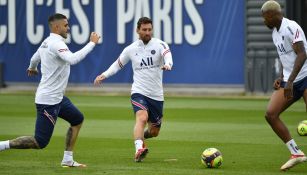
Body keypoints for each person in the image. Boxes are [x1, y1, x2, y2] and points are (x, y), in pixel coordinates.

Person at [0, 13, 100, 167]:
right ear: (56, 26)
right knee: (39, 141)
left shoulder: (47, 42)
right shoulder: (56, 44)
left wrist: (32, 68)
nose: (68, 28)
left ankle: (67, 159)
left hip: (58, 98)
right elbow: (72, 59)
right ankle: (3, 145)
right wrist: (92, 43)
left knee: (77, 119)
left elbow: (34, 58)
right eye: (66, 25)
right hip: (48, 101)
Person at [94, 17, 173, 162]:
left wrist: (168, 64)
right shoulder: (130, 49)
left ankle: (140, 135)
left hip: (156, 95)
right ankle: (139, 148)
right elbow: (117, 65)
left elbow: (168, 56)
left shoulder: (160, 44)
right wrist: (103, 75)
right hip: (139, 91)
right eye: (144, 30)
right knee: (141, 117)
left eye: (149, 29)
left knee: (154, 132)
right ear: (138, 30)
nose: (147, 32)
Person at [261, 0, 307, 171]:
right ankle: (296, 153)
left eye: (265, 18)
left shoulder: (291, 27)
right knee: (271, 114)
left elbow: (302, 54)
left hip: (305, 76)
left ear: (272, 15)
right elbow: (284, 56)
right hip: (290, 80)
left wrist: (291, 81)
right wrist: (281, 77)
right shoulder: (275, 32)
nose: (263, 21)